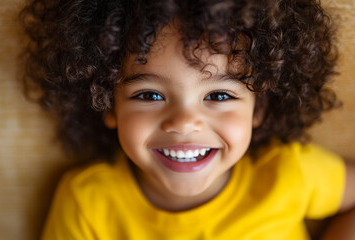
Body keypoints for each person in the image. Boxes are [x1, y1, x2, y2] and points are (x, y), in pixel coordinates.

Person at [20, 0, 355, 239]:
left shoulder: (289, 175)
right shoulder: (87, 203)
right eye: (149, 95)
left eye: (219, 96)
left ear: (259, 107)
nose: (183, 122)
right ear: (108, 104)